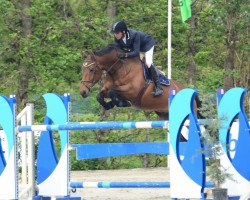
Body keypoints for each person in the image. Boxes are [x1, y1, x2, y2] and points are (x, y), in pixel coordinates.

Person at [111, 20, 164, 97]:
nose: (115, 35)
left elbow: (136, 52)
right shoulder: (117, 38)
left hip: (147, 45)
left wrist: (125, 55)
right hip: (135, 48)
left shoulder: (134, 35)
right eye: (114, 33)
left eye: (117, 33)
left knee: (148, 63)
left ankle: (159, 88)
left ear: (123, 32)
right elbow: (117, 50)